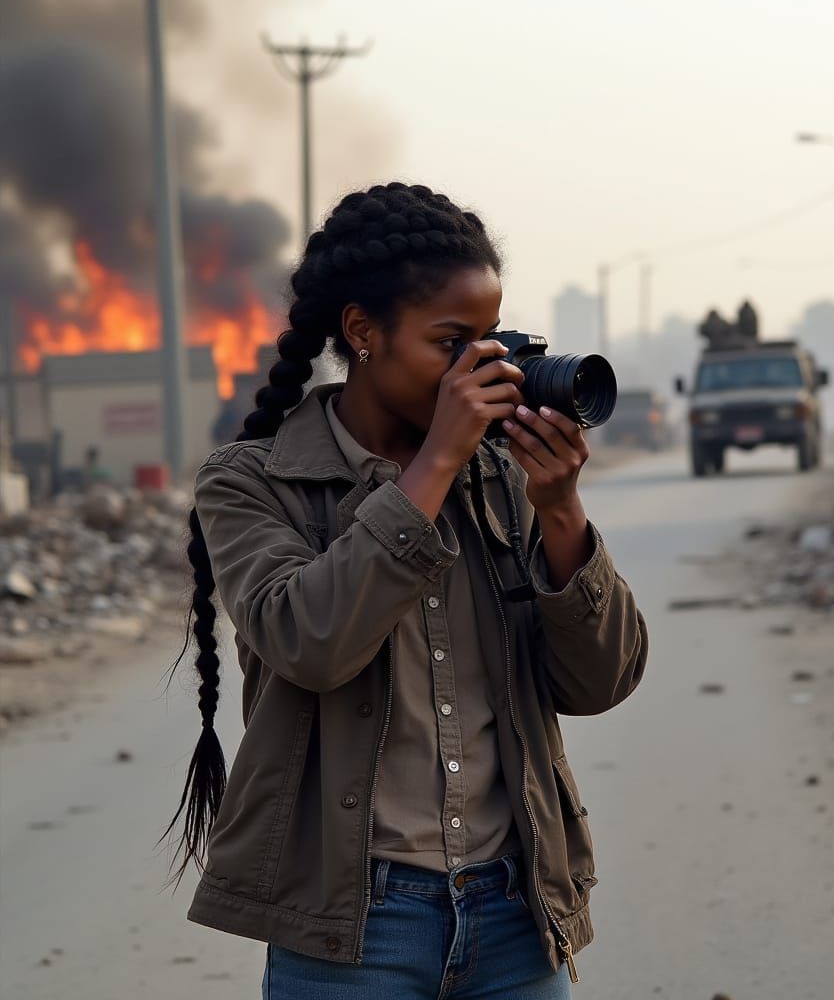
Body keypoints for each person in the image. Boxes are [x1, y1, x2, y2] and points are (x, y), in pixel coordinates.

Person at [162, 182, 648, 999]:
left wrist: (560, 510)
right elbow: (309, 643)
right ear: (363, 333)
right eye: (451, 342)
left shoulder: (499, 476)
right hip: (355, 925)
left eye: (490, 341)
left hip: (515, 909)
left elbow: (600, 683)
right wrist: (436, 465)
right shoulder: (251, 481)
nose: (479, 369)